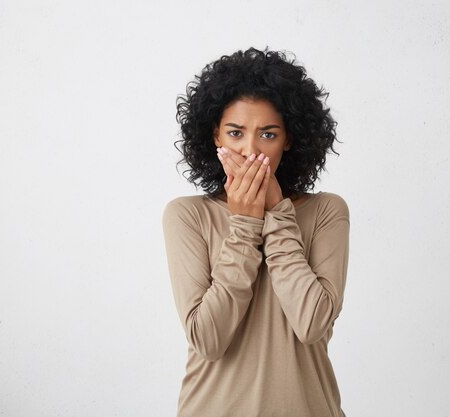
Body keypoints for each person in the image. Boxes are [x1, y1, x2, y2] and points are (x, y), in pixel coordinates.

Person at [162, 47, 350, 417]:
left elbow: (312, 323)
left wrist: (278, 213)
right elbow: (209, 340)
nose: (250, 151)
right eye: (235, 133)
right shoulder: (187, 216)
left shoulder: (327, 211)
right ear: (215, 137)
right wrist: (245, 224)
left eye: (267, 134)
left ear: (290, 140)